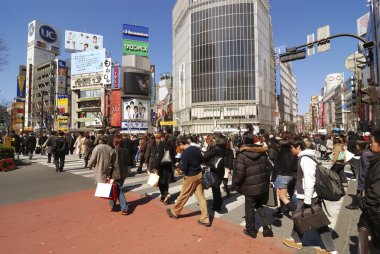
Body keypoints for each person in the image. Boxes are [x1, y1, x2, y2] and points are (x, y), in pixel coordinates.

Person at [283, 137, 337, 254]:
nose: (291, 150)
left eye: (292, 148)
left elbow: (309, 179)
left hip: (308, 196)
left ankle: (331, 250)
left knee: (318, 222)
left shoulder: (304, 159)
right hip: (308, 195)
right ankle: (296, 240)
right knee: (300, 217)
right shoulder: (307, 156)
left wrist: (307, 200)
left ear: (298, 147)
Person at [232, 132, 273, 238]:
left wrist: (235, 183)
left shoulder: (242, 155)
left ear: (243, 140)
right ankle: (267, 228)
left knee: (249, 208)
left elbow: (240, 173)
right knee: (259, 205)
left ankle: (251, 230)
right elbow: (268, 168)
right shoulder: (262, 152)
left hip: (249, 186)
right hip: (262, 184)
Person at [166, 135, 210, 227]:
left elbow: (184, 168)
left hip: (190, 176)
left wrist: (178, 165)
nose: (179, 147)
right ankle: (205, 219)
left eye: (179, 145)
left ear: (182, 144)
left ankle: (174, 212)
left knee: (184, 195)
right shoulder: (196, 149)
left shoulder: (185, 153)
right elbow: (202, 160)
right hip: (199, 174)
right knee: (201, 197)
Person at [357, 130, 380, 253]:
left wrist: (362, 203)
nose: (370, 144)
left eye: (372, 142)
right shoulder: (376, 159)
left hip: (376, 211)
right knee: (363, 227)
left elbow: (376, 192)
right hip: (373, 209)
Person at [271, 133, 297, 218]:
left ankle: (295, 211)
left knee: (282, 196)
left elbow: (276, 167)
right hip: (292, 176)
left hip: (282, 176)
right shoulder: (293, 152)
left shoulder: (280, 153)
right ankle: (283, 209)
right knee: (289, 193)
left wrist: (272, 179)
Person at [107, 134, 130, 215]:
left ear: (115, 142)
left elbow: (110, 165)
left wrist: (108, 175)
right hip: (124, 173)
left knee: (119, 190)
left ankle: (124, 208)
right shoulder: (126, 150)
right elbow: (128, 162)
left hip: (115, 173)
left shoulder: (113, 151)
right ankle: (112, 203)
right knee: (116, 189)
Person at [203, 134, 227, 212]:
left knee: (215, 189)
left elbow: (206, 155)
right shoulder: (224, 148)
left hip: (215, 170)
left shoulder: (215, 148)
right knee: (217, 187)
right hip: (221, 169)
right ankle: (219, 203)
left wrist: (208, 147)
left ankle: (217, 207)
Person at [346, 140, 370, 210]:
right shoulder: (364, 152)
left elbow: (366, 166)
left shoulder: (364, 154)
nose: (356, 146)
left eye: (357, 145)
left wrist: (363, 176)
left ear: (359, 146)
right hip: (363, 176)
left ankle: (356, 205)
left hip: (363, 176)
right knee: (360, 191)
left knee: (360, 191)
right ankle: (358, 204)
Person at [153, 133, 176, 204]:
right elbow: (173, 155)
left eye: (157, 138)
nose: (156, 140)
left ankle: (165, 194)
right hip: (168, 165)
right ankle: (163, 197)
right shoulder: (171, 144)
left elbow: (160, 156)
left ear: (161, 138)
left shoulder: (161, 144)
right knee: (166, 182)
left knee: (160, 182)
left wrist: (155, 166)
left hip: (161, 166)